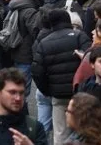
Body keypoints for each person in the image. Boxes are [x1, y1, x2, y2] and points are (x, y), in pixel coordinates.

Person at [30, 9, 91, 144]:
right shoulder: (79, 36)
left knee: (60, 134)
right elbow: (90, 60)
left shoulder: (45, 42)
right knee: (85, 132)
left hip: (59, 96)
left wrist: (48, 90)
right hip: (82, 93)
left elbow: (37, 71)